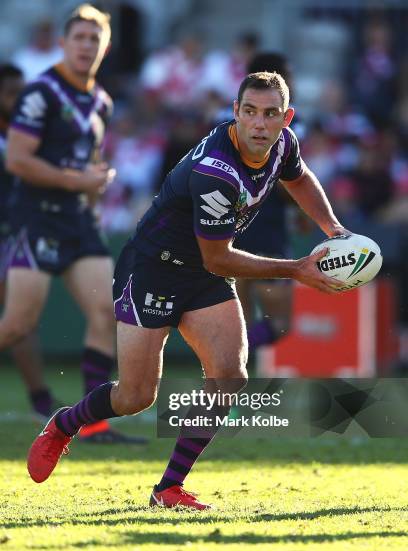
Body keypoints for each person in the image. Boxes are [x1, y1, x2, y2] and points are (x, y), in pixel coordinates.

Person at [28, 71, 348, 508]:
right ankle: (65, 423)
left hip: (202, 278)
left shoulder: (283, 144)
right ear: (235, 113)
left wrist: (332, 227)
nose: (259, 123)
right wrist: (296, 269)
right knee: (135, 397)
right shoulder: (216, 171)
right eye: (250, 112)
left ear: (286, 118)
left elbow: (299, 176)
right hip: (154, 270)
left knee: (229, 378)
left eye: (271, 114)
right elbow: (218, 257)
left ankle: (168, 488)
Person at [3, 5, 145, 444]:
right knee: (17, 324)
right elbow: (18, 160)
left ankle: (91, 424)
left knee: (106, 312)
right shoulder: (40, 94)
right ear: (62, 44)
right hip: (37, 218)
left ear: (105, 47)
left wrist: (94, 188)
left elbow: (88, 161)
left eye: (94, 39)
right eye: (79, 38)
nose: (87, 46)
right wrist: (75, 179)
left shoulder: (101, 99)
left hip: (79, 221)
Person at [0, 63, 58, 420]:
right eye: (9, 92)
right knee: (18, 322)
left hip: (16, 234)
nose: (18, 99)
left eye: (21, 92)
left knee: (19, 321)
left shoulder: (34, 134)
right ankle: (40, 397)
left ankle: (40, 397)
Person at [234, 52, 303, 350]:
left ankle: (228, 377)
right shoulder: (287, 130)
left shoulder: (227, 122)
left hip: (231, 230)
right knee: (281, 323)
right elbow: (289, 182)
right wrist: (302, 208)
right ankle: (229, 367)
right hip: (267, 232)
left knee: (239, 324)